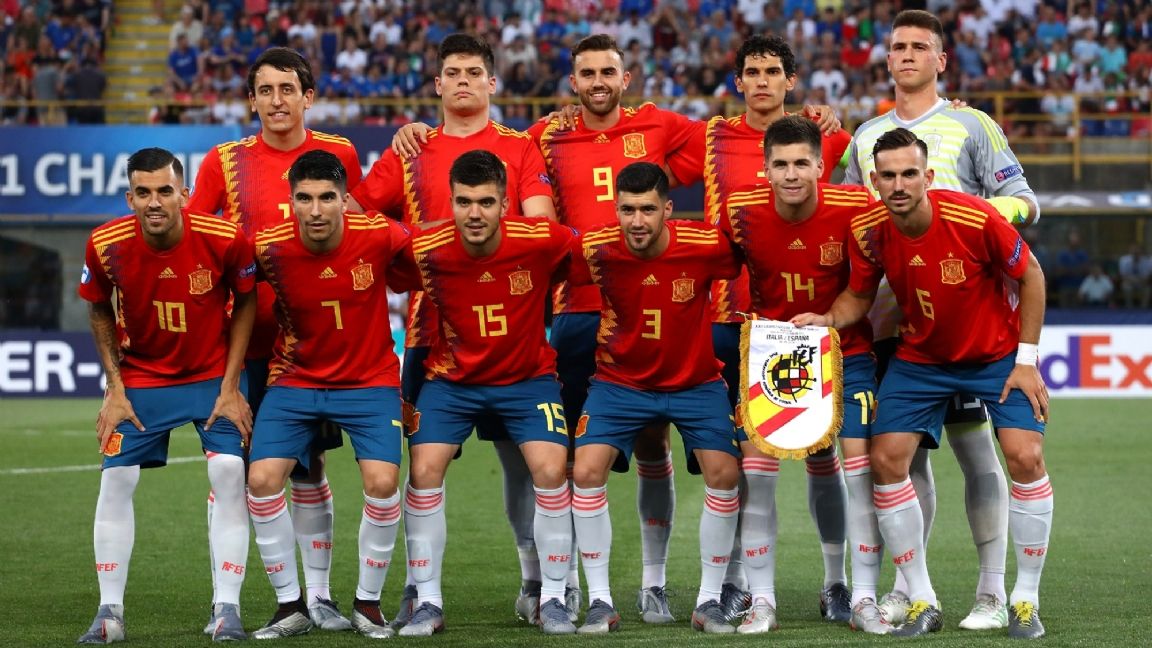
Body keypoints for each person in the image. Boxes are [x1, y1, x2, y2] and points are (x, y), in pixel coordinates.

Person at [795, 128, 1052, 640]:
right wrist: (827, 319)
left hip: (995, 355)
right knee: (887, 460)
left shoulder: (976, 218)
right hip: (921, 359)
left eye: (909, 173)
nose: (899, 184)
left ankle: (1024, 599)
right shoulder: (870, 230)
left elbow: (1033, 276)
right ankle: (922, 598)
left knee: (1024, 456)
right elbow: (858, 296)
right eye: (888, 175)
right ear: (873, 181)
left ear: (928, 176)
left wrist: (1026, 360)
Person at [346, 32, 559, 628]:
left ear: (492, 82)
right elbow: (357, 216)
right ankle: (420, 590)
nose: (463, 81)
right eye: (452, 73)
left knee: (525, 462)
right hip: (431, 334)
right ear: (437, 84)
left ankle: (536, 581)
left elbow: (540, 226)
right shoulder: (411, 149)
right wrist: (408, 247)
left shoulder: (518, 147)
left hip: (510, 330)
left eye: (473, 72)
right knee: (423, 466)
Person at [843, 9, 1041, 631]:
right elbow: (853, 215)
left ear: (940, 60)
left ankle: (992, 591)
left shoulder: (971, 124)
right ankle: (911, 589)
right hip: (895, 322)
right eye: (897, 46)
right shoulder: (866, 135)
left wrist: (976, 218)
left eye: (918, 46)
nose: (906, 55)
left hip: (971, 313)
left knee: (977, 451)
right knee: (903, 460)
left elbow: (1026, 201)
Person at [667, 34, 854, 623]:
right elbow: (626, 144)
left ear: (790, 80)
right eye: (753, 72)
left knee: (823, 454)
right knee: (742, 460)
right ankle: (739, 582)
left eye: (773, 71)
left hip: (806, 326)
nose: (763, 81)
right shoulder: (708, 136)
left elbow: (855, 206)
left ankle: (836, 580)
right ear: (739, 82)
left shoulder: (828, 134)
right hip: (731, 322)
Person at [188, 46, 363, 633]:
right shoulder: (223, 161)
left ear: (308, 96)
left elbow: (361, 227)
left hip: (312, 345)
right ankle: (228, 601)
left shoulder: (338, 154)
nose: (277, 100)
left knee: (308, 469)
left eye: (288, 89)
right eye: (265, 90)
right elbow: (198, 243)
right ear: (252, 99)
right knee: (233, 471)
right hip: (243, 345)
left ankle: (320, 598)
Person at [393, 150, 578, 636]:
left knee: (550, 469)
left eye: (486, 202)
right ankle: (427, 602)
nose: (474, 214)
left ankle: (553, 597)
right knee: (423, 470)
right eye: (463, 202)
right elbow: (383, 265)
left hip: (527, 379)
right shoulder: (427, 247)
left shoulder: (542, 239)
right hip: (452, 381)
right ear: (450, 202)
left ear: (505, 204)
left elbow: (584, 259)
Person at [77, 147, 255, 644]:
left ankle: (227, 609)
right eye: (143, 192)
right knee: (116, 479)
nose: (154, 202)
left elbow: (246, 302)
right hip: (142, 376)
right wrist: (114, 388)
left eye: (164, 191)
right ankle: (108, 613)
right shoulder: (105, 244)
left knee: (229, 470)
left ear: (184, 194)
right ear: (129, 197)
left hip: (212, 374)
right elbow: (98, 308)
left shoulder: (224, 238)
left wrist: (231, 386)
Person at [716, 116, 884, 634]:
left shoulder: (856, 207)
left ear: (820, 165)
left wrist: (829, 319)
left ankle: (854, 592)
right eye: (781, 164)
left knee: (856, 467)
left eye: (802, 163)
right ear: (765, 168)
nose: (791, 174)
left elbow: (865, 289)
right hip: (770, 356)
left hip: (844, 352)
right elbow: (709, 264)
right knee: (756, 471)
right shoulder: (740, 211)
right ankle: (762, 600)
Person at [566, 162, 742, 635]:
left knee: (725, 474)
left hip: (696, 383)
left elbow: (748, 261)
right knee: (585, 472)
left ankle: (709, 601)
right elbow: (545, 270)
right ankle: (600, 601)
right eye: (628, 210)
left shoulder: (705, 245)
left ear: (668, 209)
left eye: (647, 209)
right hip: (620, 383)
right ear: (616, 209)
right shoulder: (596, 248)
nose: (637, 221)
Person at [245, 150, 413, 640]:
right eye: (304, 198)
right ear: (291, 201)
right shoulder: (268, 247)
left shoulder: (380, 233)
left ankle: (368, 605)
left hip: (369, 381)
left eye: (326, 198)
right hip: (295, 380)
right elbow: (225, 287)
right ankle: (290, 606)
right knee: (261, 480)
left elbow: (429, 257)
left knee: (382, 483)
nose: (315, 210)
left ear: (344, 200)